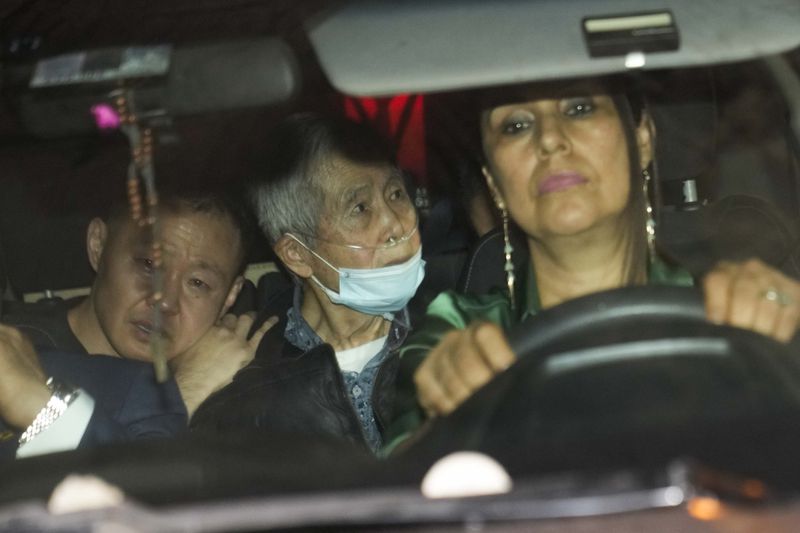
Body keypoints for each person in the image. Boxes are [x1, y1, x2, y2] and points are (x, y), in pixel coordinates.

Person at [388, 77, 800, 442]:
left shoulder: (727, 313)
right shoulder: (458, 334)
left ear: (642, 140)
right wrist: (444, 414)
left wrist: (782, 333)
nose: (549, 139)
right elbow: (403, 489)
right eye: (516, 125)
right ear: (494, 183)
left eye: (579, 108)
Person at [190, 113, 425, 453]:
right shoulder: (249, 381)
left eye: (396, 194)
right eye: (359, 208)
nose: (394, 224)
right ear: (297, 254)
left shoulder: (457, 321)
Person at [3, 186, 276, 416]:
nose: (166, 301)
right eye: (149, 265)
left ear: (230, 295)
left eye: (198, 283)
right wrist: (185, 394)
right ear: (98, 245)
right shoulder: (17, 359)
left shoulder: (229, 369)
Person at [0, 323, 186, 460]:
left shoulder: (128, 390)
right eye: (147, 267)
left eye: (197, 282)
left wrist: (42, 409)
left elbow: (147, 498)